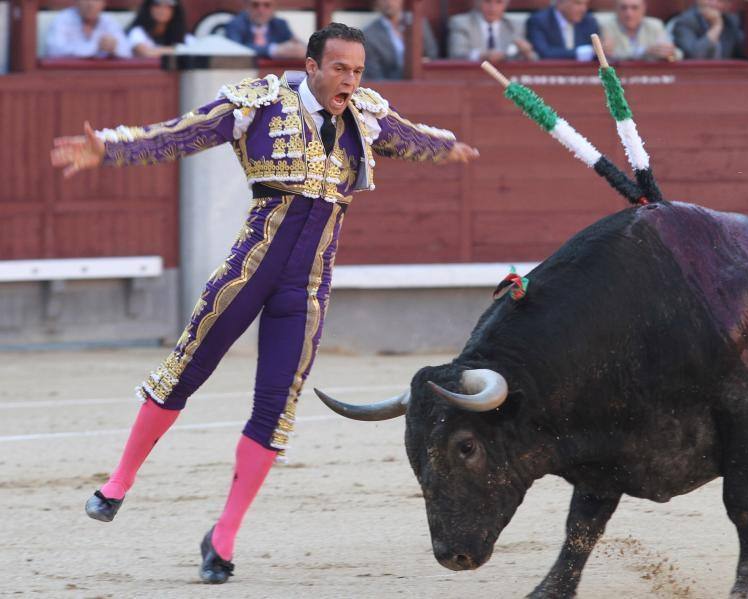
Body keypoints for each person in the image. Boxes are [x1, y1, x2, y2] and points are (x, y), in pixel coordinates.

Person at [51, 22, 479, 585]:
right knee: (186, 369)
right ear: (311, 67)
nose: (350, 79)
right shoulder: (257, 103)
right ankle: (118, 483)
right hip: (247, 270)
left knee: (275, 407)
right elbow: (178, 134)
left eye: (357, 70)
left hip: (306, 289)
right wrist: (108, 147)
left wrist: (449, 148)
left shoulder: (366, 116)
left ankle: (222, 538)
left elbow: (413, 137)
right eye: (340, 69)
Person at [363, 0, 439, 80]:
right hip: (391, 87)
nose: (389, 2)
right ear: (377, 2)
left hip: (423, 82)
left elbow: (432, 54)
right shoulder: (369, 34)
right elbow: (375, 75)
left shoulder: (418, 23)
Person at [448, 0, 536, 61]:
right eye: (487, 1)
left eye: (498, 2)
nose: (492, 8)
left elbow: (533, 58)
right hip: (471, 77)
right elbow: (456, 53)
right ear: (477, 2)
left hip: (506, 76)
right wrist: (482, 56)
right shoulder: (461, 23)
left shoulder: (514, 26)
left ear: (505, 5)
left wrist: (527, 52)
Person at [45, 0, 132, 59]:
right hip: (67, 77)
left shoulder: (109, 21)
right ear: (76, 2)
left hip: (102, 76)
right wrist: (94, 48)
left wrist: (114, 47)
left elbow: (127, 51)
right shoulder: (63, 19)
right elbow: (53, 50)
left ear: (103, 3)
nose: (90, 4)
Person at [600, 0, 682, 61]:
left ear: (643, 9)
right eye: (623, 8)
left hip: (650, 75)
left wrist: (670, 54)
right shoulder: (607, 26)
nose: (629, 13)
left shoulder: (655, 25)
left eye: (634, 8)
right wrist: (645, 52)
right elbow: (611, 55)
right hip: (618, 76)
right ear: (616, 9)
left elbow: (678, 54)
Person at [225, 0, 306, 59]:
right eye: (255, 5)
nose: (261, 10)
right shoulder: (235, 24)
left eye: (267, 5)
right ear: (246, 6)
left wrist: (299, 49)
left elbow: (296, 43)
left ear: (274, 7)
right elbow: (237, 50)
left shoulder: (280, 24)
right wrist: (273, 50)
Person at [526, 0, 599, 61]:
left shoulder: (589, 21)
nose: (583, 9)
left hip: (584, 73)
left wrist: (603, 50)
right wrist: (584, 52)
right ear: (560, 2)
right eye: (578, 3)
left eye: (586, 4)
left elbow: (597, 54)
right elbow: (544, 53)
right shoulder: (538, 21)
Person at [671, 0, 745, 59]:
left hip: (725, 75)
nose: (713, 3)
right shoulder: (685, 21)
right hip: (694, 75)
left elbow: (743, 53)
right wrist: (716, 27)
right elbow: (694, 56)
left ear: (728, 6)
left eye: (720, 1)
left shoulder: (731, 21)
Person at [127, 0, 194, 58]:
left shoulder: (184, 36)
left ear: (175, 10)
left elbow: (196, 50)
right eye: (157, 5)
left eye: (168, 6)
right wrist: (180, 50)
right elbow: (145, 53)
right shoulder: (137, 32)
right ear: (148, 8)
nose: (162, 10)